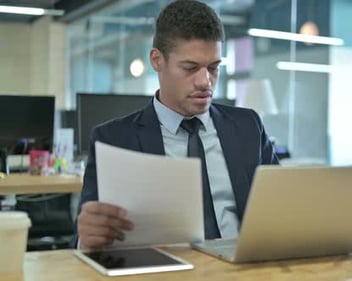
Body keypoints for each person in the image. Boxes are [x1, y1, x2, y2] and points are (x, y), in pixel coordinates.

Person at [74, 0, 279, 250]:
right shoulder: (113, 139)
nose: (205, 82)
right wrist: (86, 237)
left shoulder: (248, 126)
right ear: (157, 60)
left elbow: (282, 210)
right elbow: (90, 237)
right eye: (190, 68)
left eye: (213, 68)